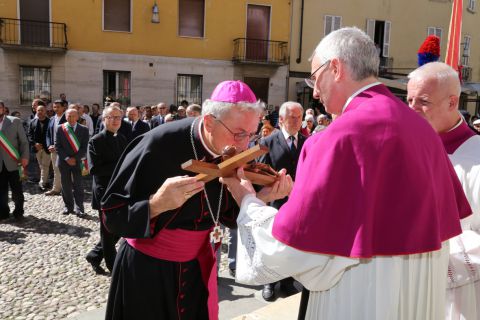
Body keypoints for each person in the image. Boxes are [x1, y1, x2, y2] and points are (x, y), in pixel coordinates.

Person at [220, 27, 471, 320]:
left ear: (336, 68)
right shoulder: (423, 131)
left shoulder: (336, 137)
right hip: (416, 295)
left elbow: (289, 248)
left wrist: (247, 200)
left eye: (315, 78)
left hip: (359, 297)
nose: (314, 92)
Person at [101, 81, 266, 320]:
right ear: (209, 122)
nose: (245, 144)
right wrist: (155, 204)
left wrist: (259, 198)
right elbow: (111, 216)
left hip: (196, 271)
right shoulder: (156, 144)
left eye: (252, 134)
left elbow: (226, 215)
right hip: (148, 274)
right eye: (239, 134)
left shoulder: (235, 152)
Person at [407, 62, 480, 320]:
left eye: (423, 101)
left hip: (460, 298)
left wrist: (431, 256)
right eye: (409, 100)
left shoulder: (476, 157)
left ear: (452, 102)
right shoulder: (405, 148)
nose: (412, 109)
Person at [258, 101, 307, 301]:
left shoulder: (307, 141)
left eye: (299, 117)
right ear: (281, 119)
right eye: (292, 117)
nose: (296, 121)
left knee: (291, 244)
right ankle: (268, 282)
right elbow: (259, 172)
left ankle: (287, 280)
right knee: (272, 243)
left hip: (298, 203)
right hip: (274, 203)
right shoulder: (268, 142)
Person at [85, 105, 128, 275]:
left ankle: (94, 255)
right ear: (104, 120)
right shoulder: (95, 140)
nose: (116, 120)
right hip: (104, 192)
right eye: (112, 117)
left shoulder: (122, 138)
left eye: (118, 117)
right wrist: (120, 167)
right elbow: (94, 169)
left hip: (121, 191)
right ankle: (114, 266)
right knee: (108, 231)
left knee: (118, 228)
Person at [55, 108, 89, 215]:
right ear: (65, 117)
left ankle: (79, 208)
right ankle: (68, 206)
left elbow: (84, 147)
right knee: (66, 185)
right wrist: (67, 158)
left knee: (78, 185)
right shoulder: (60, 128)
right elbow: (57, 146)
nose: (71, 118)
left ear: (77, 117)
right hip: (64, 162)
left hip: (78, 161)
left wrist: (75, 158)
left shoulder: (84, 129)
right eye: (69, 116)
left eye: (73, 116)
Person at [0, 101, 29, 219]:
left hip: (14, 161)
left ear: (3, 109)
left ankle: (18, 211)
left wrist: (25, 157)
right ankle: (3, 212)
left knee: (17, 190)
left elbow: (23, 142)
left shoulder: (14, 121)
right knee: (1, 191)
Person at [45, 100, 66, 196]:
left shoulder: (68, 118)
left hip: (65, 149)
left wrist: (57, 145)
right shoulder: (52, 119)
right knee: (55, 169)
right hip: (53, 149)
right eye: (54, 107)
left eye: (58, 107)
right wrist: (49, 145)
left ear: (63, 107)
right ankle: (56, 188)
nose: (56, 109)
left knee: (66, 170)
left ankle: (67, 189)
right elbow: (48, 134)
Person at [27, 104, 51, 191]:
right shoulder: (32, 122)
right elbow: (29, 135)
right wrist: (34, 144)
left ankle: (42, 183)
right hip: (37, 148)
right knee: (42, 166)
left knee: (45, 165)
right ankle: (46, 181)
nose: (40, 112)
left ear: (45, 111)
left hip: (47, 148)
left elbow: (52, 135)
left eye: (42, 110)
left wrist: (48, 145)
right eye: (38, 110)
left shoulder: (50, 121)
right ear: (36, 111)